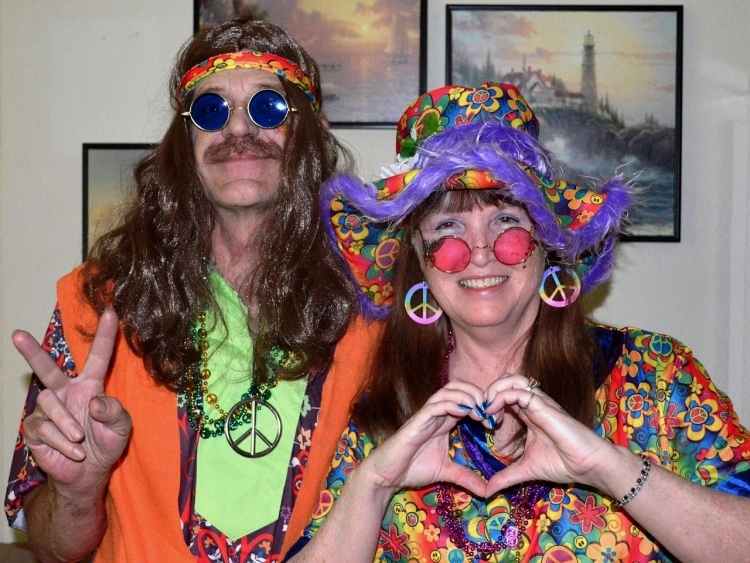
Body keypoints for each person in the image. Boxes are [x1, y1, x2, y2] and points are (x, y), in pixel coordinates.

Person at [287, 83, 750, 562]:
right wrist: (374, 485)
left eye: (506, 221)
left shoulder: (656, 375)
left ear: (547, 240)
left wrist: (611, 469)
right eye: (447, 227)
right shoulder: (385, 410)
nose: (481, 253)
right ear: (419, 261)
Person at [4, 17, 381, 563]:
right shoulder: (97, 306)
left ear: (310, 131)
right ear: (186, 140)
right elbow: (52, 550)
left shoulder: (376, 306)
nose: (238, 129)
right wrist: (78, 488)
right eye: (211, 110)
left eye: (268, 107)